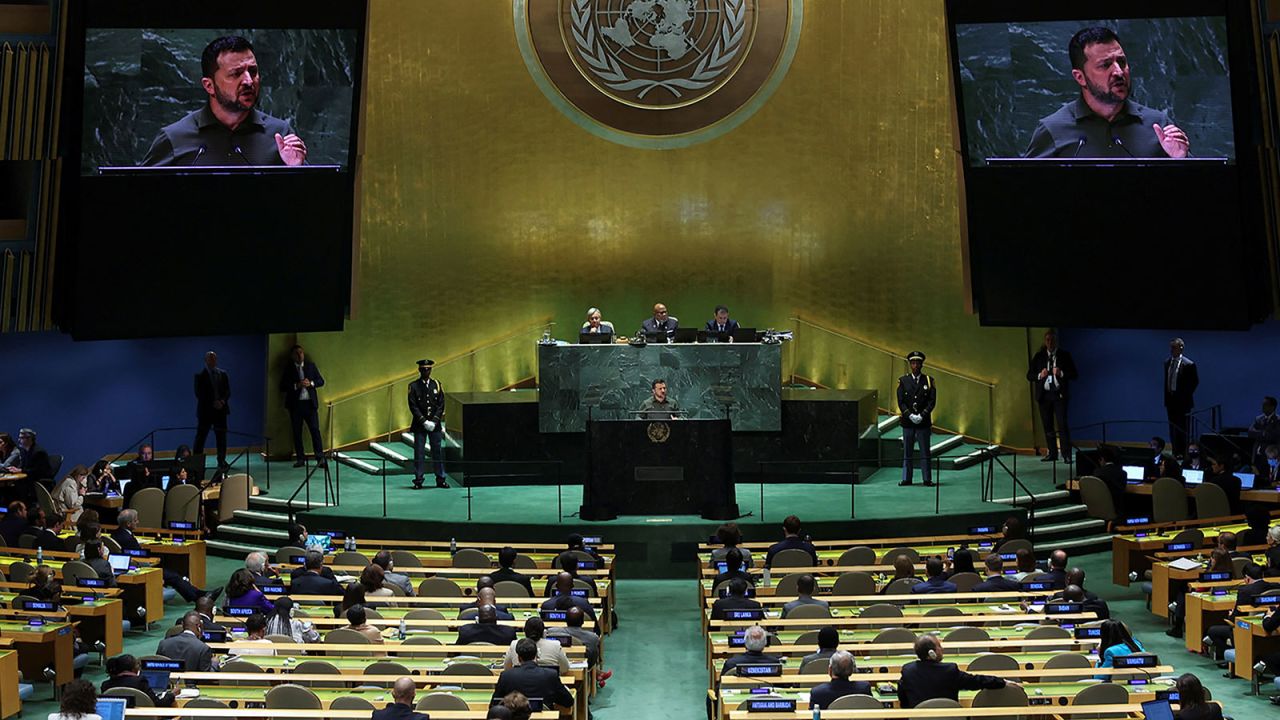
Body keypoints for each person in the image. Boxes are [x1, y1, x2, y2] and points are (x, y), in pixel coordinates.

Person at [1024, 27, 1189, 159]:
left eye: (1122, 62)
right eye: (1105, 65)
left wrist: (1180, 160)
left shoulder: (1158, 125)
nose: (1118, 72)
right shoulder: (1053, 129)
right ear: (1080, 77)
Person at [141, 35, 306, 166]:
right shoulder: (175, 138)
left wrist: (296, 169)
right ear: (209, 86)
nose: (249, 81)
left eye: (253, 71)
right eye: (236, 74)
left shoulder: (280, 135)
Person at [112, 509, 210, 602]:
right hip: (140, 567)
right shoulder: (127, 538)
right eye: (135, 520)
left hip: (132, 564)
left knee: (171, 572)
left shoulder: (116, 533)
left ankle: (198, 594)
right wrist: (153, 562)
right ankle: (198, 597)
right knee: (174, 576)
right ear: (128, 524)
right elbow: (140, 557)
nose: (138, 522)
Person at [897, 635, 1012, 708]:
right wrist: (1002, 682)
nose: (942, 649)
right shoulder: (949, 670)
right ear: (932, 652)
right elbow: (976, 681)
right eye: (939, 646)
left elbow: (903, 698)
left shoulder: (907, 671)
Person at [1205, 562, 1278, 658]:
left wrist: (1230, 615)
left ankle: (1228, 657)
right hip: (1270, 623)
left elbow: (1234, 619)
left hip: (1245, 629)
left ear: (1247, 578)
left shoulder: (1244, 591)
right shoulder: (1275, 586)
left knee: (1212, 631)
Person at [1027, 330, 1078, 462]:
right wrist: (1040, 375)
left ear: (1056, 341)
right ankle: (1052, 453)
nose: (1050, 343)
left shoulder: (1065, 355)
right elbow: (1029, 375)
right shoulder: (1039, 356)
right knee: (1047, 425)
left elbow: (1074, 374)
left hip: (1059, 395)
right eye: (1048, 340)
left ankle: (1066, 455)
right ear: (1045, 341)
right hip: (1044, 396)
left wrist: (1061, 373)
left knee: (1062, 424)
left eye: (1052, 340)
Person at [492, 638, 574, 711]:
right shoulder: (551, 675)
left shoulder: (506, 676)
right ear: (537, 655)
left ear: (518, 658)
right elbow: (568, 702)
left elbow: (494, 705)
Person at [279, 344, 326, 468]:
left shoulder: (311, 366)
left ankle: (320, 458)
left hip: (310, 404)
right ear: (292, 355)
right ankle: (300, 458)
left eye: (301, 352)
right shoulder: (288, 369)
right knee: (297, 432)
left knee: (315, 430)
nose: (300, 355)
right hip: (295, 406)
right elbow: (282, 386)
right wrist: (296, 385)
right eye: (297, 353)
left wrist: (310, 383)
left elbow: (321, 381)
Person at [407, 358, 447, 489]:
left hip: (434, 425)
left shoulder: (437, 384)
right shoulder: (413, 386)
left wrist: (435, 421)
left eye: (428, 369)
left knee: (437, 452)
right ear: (419, 370)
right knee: (419, 452)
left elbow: (441, 404)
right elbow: (413, 406)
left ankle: (440, 479)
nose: (426, 371)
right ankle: (418, 479)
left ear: (431, 370)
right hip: (420, 425)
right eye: (423, 369)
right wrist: (424, 421)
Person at [897, 351, 936, 486]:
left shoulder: (929, 381)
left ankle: (927, 479)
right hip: (908, 422)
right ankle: (907, 478)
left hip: (923, 422)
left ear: (922, 364)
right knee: (908, 451)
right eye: (913, 363)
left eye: (918, 363)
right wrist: (910, 415)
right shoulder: (903, 380)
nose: (915, 366)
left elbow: (932, 401)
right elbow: (901, 401)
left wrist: (922, 415)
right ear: (910, 365)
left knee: (925, 451)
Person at [193, 351, 231, 472]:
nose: (212, 360)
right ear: (206, 360)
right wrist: (213, 403)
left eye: (214, 358)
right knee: (201, 438)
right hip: (206, 412)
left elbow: (227, 391)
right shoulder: (200, 376)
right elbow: (199, 394)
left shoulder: (223, 374)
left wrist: (222, 402)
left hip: (221, 411)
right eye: (210, 358)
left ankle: (221, 460)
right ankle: (197, 462)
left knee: (221, 438)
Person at [1164, 338, 1199, 458]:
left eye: (1174, 347)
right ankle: (1175, 451)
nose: (1172, 350)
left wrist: (1184, 395)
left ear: (1181, 348)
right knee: (1172, 428)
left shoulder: (1189, 364)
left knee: (1183, 429)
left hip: (1183, 402)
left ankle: (1183, 453)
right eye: (1171, 347)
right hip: (1170, 401)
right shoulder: (1167, 362)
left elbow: (1195, 382)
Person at [101, 653, 174, 707]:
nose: (139, 667)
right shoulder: (140, 681)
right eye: (137, 665)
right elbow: (157, 704)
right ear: (133, 668)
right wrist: (171, 694)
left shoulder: (105, 685)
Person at [503, 617, 569, 673]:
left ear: (525, 631)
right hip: (549, 685)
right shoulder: (555, 645)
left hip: (520, 685)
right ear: (543, 632)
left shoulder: (514, 644)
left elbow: (507, 668)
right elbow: (565, 668)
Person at [1093, 445, 1128, 515]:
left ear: (1102, 459)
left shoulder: (1097, 472)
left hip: (1098, 507)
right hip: (1116, 508)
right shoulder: (1123, 473)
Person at [1249, 396, 1280, 469]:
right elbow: (1250, 432)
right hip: (1257, 455)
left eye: (1265, 405)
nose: (1263, 406)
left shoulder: (1278, 421)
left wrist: (1259, 434)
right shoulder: (1258, 419)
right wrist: (1263, 433)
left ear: (1272, 407)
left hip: (1270, 456)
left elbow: (1272, 436)